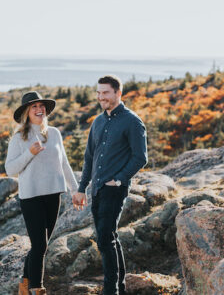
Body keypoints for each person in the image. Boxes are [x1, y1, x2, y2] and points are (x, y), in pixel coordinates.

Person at [72, 75, 148, 295]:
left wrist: (120, 179)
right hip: (96, 189)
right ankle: (120, 288)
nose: (101, 97)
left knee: (104, 237)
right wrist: (81, 188)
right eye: (98, 93)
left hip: (115, 189)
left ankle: (110, 290)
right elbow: (89, 158)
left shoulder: (132, 121)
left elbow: (140, 157)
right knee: (110, 236)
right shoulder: (98, 121)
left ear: (118, 93)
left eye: (105, 92)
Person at [5, 91, 80, 295]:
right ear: (26, 113)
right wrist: (30, 153)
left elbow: (64, 163)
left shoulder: (54, 133)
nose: (39, 110)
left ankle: (24, 286)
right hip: (31, 197)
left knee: (41, 245)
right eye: (34, 107)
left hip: (53, 195)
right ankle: (36, 289)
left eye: (41, 106)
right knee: (39, 246)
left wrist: (75, 190)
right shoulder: (19, 138)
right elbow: (10, 169)